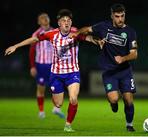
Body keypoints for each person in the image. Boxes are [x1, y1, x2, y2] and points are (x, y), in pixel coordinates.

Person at [5, 9, 100, 132]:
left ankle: (68, 125)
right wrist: (16, 46)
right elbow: (34, 40)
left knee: (73, 98)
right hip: (56, 74)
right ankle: (53, 104)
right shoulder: (52, 34)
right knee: (58, 104)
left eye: (68, 20)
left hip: (73, 72)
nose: (66, 22)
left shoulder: (76, 33)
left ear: (71, 23)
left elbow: (89, 38)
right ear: (59, 23)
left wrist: (98, 41)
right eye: (63, 20)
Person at [72, 3, 138, 131]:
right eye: (117, 16)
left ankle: (129, 125)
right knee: (114, 99)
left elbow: (134, 54)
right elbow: (88, 29)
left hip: (125, 71)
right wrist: (76, 33)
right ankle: (113, 104)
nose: (120, 19)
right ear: (112, 16)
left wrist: (123, 58)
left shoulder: (130, 32)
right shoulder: (103, 26)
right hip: (109, 72)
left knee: (128, 100)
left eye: (122, 16)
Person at [29, 12, 65, 119]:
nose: (45, 19)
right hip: (40, 65)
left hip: (53, 65)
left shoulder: (55, 32)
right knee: (41, 88)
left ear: (49, 19)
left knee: (56, 87)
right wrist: (32, 66)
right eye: (42, 18)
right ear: (39, 22)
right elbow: (32, 51)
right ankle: (41, 111)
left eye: (46, 17)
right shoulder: (36, 34)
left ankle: (56, 108)